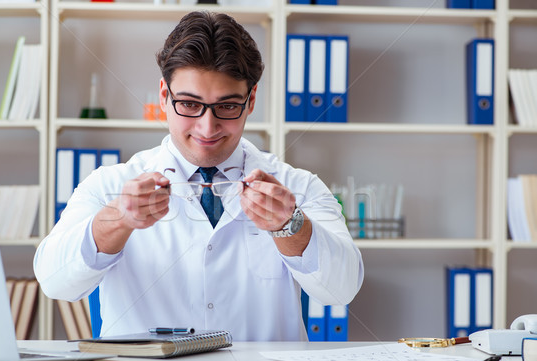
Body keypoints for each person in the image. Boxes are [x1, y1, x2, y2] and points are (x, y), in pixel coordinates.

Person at [34, 11, 363, 341]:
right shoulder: (107, 186)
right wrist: (118, 219)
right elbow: (54, 282)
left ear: (251, 101)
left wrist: (290, 225)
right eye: (190, 105)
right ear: (164, 95)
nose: (208, 127)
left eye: (227, 106)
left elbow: (342, 290)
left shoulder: (298, 187)